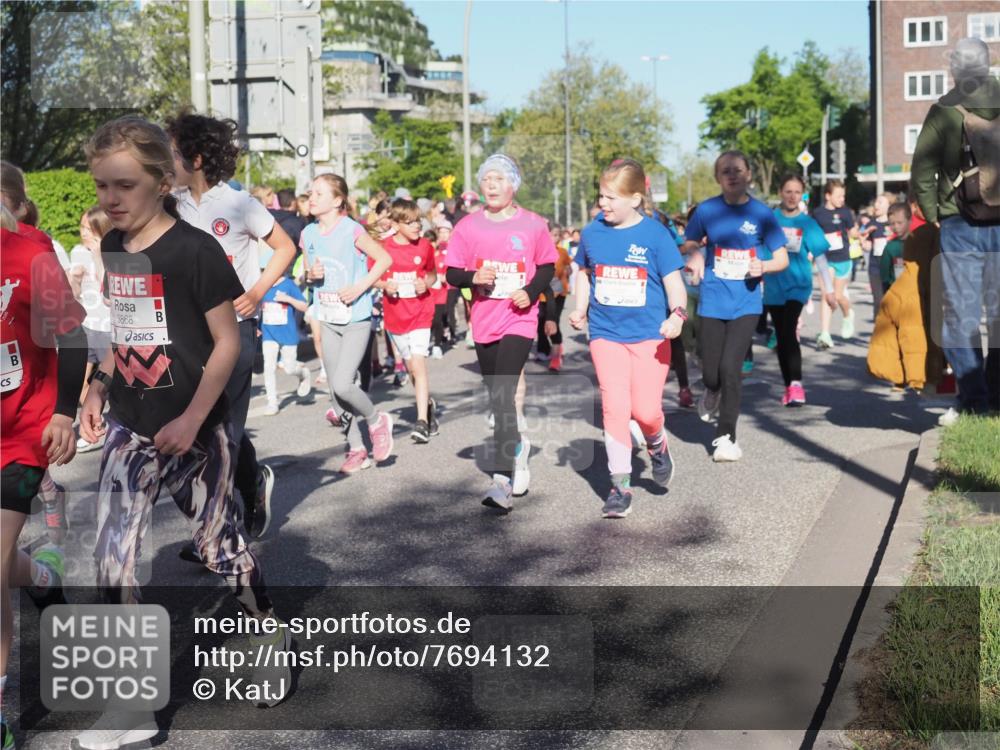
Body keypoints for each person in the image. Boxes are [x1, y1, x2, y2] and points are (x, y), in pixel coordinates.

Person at [77, 116, 292, 749]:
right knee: (111, 557)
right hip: (132, 425)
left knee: (220, 548)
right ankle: (131, 704)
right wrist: (97, 385)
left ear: (161, 180)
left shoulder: (195, 250)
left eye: (124, 185)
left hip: (200, 427)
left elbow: (227, 343)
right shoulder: (114, 246)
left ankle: (268, 632)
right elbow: (125, 329)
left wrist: (194, 419)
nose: (110, 198)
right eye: (101, 186)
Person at [167, 112, 296, 543]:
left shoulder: (239, 204)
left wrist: (257, 291)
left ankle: (219, 529)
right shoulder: (170, 204)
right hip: (187, 334)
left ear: (196, 159)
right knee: (207, 427)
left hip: (235, 329)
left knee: (224, 433)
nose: (167, 161)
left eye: (173, 153)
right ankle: (251, 481)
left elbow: (285, 247)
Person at [1, 204, 88, 750]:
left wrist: (63, 413)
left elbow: (72, 336)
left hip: (23, 431)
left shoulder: (30, 254)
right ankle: (39, 577)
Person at [569, 159, 686, 518]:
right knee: (614, 408)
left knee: (646, 412)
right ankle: (619, 487)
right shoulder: (592, 233)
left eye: (611, 197)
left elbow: (674, 284)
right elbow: (584, 273)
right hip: (606, 334)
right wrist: (579, 308)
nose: (602, 203)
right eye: (601, 196)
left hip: (650, 335)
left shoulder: (656, 235)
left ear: (635, 199)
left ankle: (657, 442)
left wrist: (677, 315)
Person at [446, 154, 556, 511]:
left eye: (499, 179)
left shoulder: (533, 224)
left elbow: (547, 265)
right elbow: (451, 273)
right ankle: (518, 448)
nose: (492, 185)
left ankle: (502, 481)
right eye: (487, 179)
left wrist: (531, 291)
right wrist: (472, 277)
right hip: (485, 320)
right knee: (498, 399)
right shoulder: (468, 226)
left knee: (505, 393)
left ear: (513, 186)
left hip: (520, 318)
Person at [911, 36, 1000, 423]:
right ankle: (996, 397)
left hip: (959, 220)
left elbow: (922, 168)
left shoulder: (944, 109)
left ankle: (974, 399)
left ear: (955, 69)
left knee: (960, 316)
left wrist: (934, 212)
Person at [684, 151, 789, 461]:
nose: (732, 175)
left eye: (738, 170)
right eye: (726, 171)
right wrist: (696, 254)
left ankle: (726, 438)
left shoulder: (762, 213)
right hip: (713, 300)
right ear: (718, 177)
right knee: (712, 374)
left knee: (731, 369)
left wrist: (764, 266)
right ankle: (711, 390)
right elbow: (689, 242)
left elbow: (782, 258)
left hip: (746, 302)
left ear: (748, 175)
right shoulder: (707, 210)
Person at [302, 173, 393, 473]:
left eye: (319, 193)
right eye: (311, 193)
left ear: (337, 200)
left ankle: (376, 420)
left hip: (355, 317)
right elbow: (307, 274)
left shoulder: (351, 229)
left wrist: (359, 287)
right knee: (334, 390)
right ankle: (357, 449)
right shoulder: (308, 234)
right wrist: (310, 276)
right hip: (328, 317)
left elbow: (384, 259)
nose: (312, 198)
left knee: (343, 383)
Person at [375, 198, 439, 443]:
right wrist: (385, 285)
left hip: (421, 311)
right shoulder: (384, 248)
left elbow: (432, 274)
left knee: (418, 365)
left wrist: (426, 283)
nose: (416, 226)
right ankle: (427, 405)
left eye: (418, 221)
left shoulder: (425, 246)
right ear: (396, 225)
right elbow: (373, 277)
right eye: (410, 222)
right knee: (411, 368)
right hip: (396, 315)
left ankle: (421, 422)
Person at [769, 174, 836, 406]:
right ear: (780, 192)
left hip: (798, 285)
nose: (792, 196)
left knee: (789, 330)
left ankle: (796, 384)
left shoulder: (808, 223)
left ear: (802, 195)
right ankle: (789, 386)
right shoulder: (770, 220)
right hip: (773, 286)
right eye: (788, 191)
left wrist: (829, 290)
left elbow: (821, 258)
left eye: (797, 192)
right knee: (781, 335)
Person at [68, 207, 114, 450]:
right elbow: (73, 294)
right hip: (87, 327)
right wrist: (74, 278)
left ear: (101, 230)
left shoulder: (113, 251)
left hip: (108, 329)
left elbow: (107, 291)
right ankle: (95, 424)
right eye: (82, 227)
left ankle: (107, 428)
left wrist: (98, 256)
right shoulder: (77, 251)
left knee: (110, 387)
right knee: (77, 381)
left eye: (89, 229)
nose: (84, 233)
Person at [811, 180, 857, 349]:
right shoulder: (818, 213)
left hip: (843, 258)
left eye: (843, 196)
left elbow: (852, 231)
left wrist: (861, 235)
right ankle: (825, 334)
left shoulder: (845, 212)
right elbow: (812, 234)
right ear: (828, 196)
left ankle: (848, 314)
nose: (842, 199)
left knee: (837, 296)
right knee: (827, 295)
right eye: (839, 196)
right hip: (825, 259)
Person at [260, 272, 312, 416]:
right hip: (268, 332)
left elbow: (304, 306)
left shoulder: (288, 284)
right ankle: (272, 402)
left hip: (287, 333)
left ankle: (304, 374)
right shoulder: (263, 284)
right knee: (268, 367)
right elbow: (258, 305)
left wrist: (287, 299)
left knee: (289, 369)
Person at [879, 202, 910, 293]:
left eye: (900, 223)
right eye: (892, 224)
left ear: (909, 220)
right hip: (897, 292)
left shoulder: (919, 243)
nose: (896, 227)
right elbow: (885, 276)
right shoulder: (890, 247)